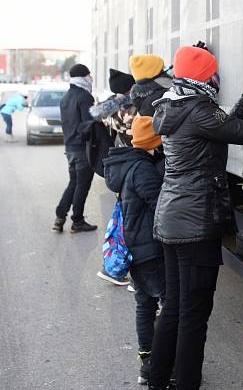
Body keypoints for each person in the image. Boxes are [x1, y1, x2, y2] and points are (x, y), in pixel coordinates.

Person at [148, 46, 243, 390]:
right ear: (205, 78)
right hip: (195, 223)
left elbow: (226, 125)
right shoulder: (198, 111)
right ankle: (185, 383)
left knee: (174, 307)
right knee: (194, 315)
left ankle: (156, 378)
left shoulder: (176, 105)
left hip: (172, 218)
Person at [103, 115, 166, 385]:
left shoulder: (128, 164)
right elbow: (158, 208)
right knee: (168, 303)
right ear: (155, 140)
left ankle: (146, 365)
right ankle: (160, 367)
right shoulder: (142, 169)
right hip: (148, 250)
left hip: (133, 248)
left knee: (144, 304)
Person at [53, 64, 98, 234]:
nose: (90, 78)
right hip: (82, 149)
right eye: (89, 75)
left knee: (73, 183)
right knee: (82, 185)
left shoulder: (66, 97)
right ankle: (77, 221)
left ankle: (59, 218)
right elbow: (89, 124)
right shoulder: (84, 96)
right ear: (83, 77)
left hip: (70, 148)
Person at [91, 68, 137, 147]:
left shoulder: (110, 107)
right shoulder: (126, 111)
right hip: (132, 150)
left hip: (121, 148)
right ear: (127, 90)